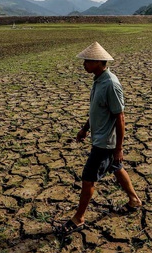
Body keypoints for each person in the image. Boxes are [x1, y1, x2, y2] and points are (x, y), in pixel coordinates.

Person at [56, 42, 143, 236]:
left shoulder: (111, 84)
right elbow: (97, 111)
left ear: (97, 62)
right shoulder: (98, 80)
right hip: (100, 137)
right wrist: (84, 128)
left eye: (87, 61)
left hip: (105, 143)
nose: (84, 64)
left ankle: (79, 218)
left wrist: (118, 147)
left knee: (88, 178)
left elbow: (120, 116)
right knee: (116, 168)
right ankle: (134, 200)